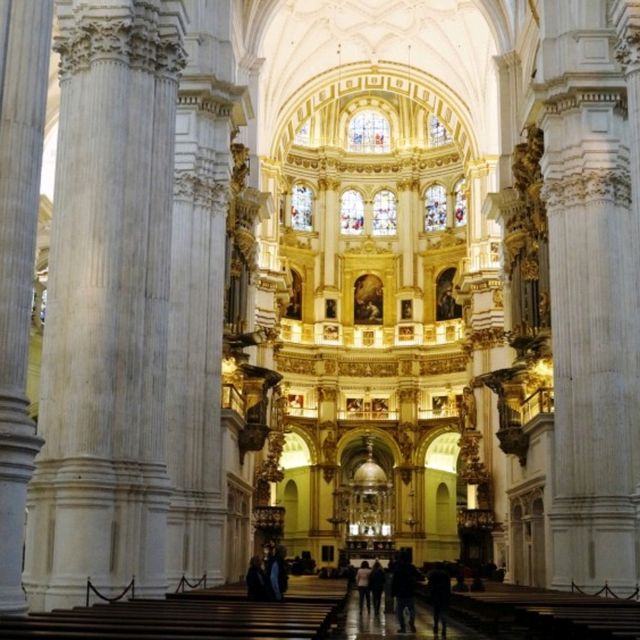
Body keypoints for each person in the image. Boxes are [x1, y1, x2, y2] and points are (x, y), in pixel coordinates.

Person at [391, 551, 424, 633]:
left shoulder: (397, 568)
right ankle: (411, 622)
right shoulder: (411, 567)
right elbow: (420, 577)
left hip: (400, 592)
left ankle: (403, 627)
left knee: (399, 611)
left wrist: (393, 592)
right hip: (410, 591)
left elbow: (394, 581)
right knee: (412, 609)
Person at [427, 562, 451, 637]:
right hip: (444, 594)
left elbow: (430, 584)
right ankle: (444, 627)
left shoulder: (433, 574)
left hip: (435, 594)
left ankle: (436, 626)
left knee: (436, 611)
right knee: (443, 611)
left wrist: (429, 592)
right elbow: (448, 585)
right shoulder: (446, 574)